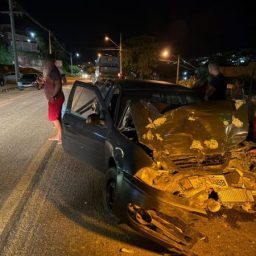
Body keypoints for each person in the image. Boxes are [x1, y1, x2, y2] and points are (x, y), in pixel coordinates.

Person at [37, 53, 65, 144]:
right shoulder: (51, 70)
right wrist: (44, 81)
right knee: (55, 118)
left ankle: (60, 137)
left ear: (50, 61)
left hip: (55, 99)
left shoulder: (53, 71)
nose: (45, 63)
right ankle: (59, 135)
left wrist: (53, 95)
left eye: (46, 61)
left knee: (52, 118)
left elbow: (58, 84)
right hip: (54, 98)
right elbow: (51, 82)